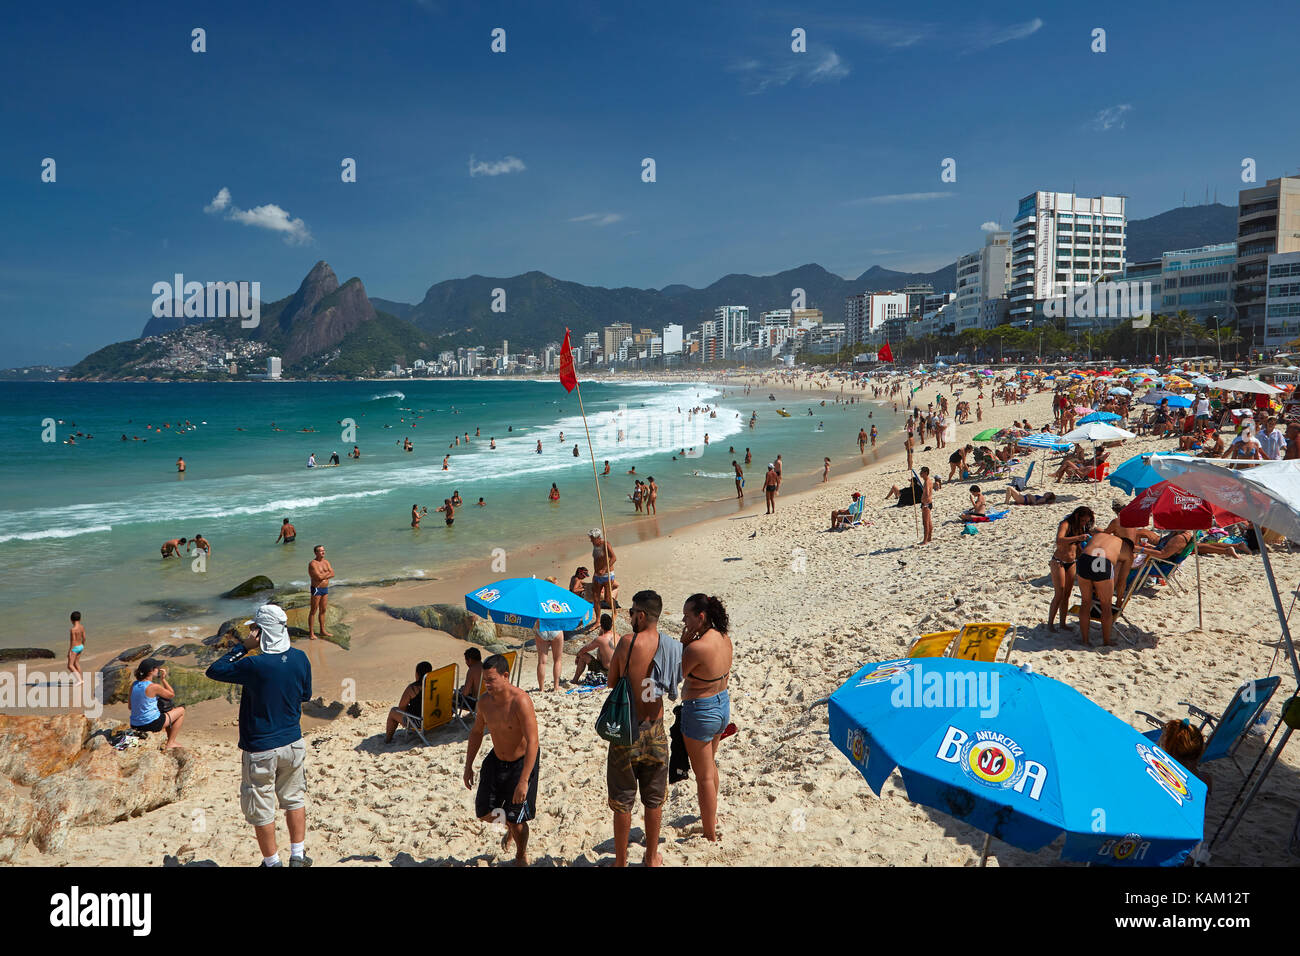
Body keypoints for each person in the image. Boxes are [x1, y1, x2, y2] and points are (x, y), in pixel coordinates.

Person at [206, 604, 313, 867]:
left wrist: (243, 647)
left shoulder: (254, 664)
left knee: (261, 805)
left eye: (256, 629)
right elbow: (305, 695)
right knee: (294, 798)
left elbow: (214, 670)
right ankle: (297, 855)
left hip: (261, 747)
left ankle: (272, 862)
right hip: (293, 741)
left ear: (261, 632)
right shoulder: (300, 658)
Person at [605, 590, 681, 867]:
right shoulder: (671, 646)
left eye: (632, 612)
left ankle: (621, 861)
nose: (629, 617)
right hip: (656, 729)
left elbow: (612, 681)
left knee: (623, 799)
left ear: (642, 615)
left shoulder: (627, 642)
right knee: (654, 798)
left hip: (628, 730)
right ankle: (651, 857)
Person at [464, 654, 539, 866]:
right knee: (484, 812)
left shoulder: (520, 701)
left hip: (521, 762)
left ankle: (520, 854)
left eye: (491, 680)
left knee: (518, 823)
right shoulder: (485, 702)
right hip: (496, 760)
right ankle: (509, 827)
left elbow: (533, 741)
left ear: (505, 676)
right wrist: (468, 765)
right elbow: (477, 733)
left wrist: (524, 780)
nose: (486, 684)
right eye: (484, 680)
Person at [680, 593, 732, 843]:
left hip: (701, 710)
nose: (684, 621)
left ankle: (710, 833)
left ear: (701, 617)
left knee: (704, 777)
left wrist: (683, 644)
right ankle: (713, 817)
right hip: (722, 704)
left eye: (687, 617)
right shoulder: (724, 638)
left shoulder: (696, 647)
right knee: (710, 766)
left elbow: (677, 673)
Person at [1078, 530, 1131, 647]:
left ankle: (1085, 640)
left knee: (1085, 602)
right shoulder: (1127, 551)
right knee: (1106, 605)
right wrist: (1119, 601)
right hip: (1101, 561)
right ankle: (1106, 642)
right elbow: (1122, 582)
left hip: (1084, 559)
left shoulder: (1100, 535)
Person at [1049, 507, 1094, 632]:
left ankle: (1062, 623)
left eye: (1087, 521)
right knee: (1059, 593)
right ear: (1077, 516)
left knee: (1067, 594)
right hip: (1059, 562)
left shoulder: (1080, 527)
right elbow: (1059, 540)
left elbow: (1079, 545)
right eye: (1083, 520)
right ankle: (1050, 624)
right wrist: (1077, 538)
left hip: (1072, 562)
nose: (1084, 523)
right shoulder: (1065, 524)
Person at [129, 658, 186, 747]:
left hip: (134, 724)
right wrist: (163, 679)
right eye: (156, 667)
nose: (158, 669)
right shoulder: (153, 687)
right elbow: (171, 694)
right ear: (151, 671)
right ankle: (170, 742)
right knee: (181, 710)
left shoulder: (134, 685)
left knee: (167, 710)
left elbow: (130, 707)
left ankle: (169, 739)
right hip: (151, 724)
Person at [386, 661, 433, 744]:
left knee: (393, 711)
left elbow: (401, 707)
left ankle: (388, 740)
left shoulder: (413, 688)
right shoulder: (435, 684)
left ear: (417, 674)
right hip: (436, 716)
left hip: (421, 722)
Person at [574, 613, 616, 683]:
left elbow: (584, 649)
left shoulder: (601, 639)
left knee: (583, 655)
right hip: (615, 671)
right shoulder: (617, 636)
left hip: (605, 672)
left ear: (601, 626)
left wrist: (578, 656)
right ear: (611, 625)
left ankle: (575, 680)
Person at [307, 545, 334, 639]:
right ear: (316, 553)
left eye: (324, 550)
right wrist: (327, 574)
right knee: (313, 611)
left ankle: (322, 630)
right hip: (316, 589)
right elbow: (318, 577)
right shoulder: (313, 564)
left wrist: (323, 575)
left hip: (325, 589)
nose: (323, 552)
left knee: (323, 610)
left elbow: (333, 573)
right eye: (321, 551)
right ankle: (311, 633)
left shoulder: (326, 562)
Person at [588, 529, 617, 611]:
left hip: (607, 575)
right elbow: (596, 561)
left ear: (597, 537)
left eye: (592, 538)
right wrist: (594, 574)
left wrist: (604, 569)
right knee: (596, 598)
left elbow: (614, 558)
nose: (591, 541)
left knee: (607, 598)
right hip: (597, 575)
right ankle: (598, 620)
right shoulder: (595, 545)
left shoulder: (606, 545)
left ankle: (614, 612)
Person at [457, 647, 484, 712]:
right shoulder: (485, 667)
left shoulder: (472, 670)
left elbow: (465, 693)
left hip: (476, 704)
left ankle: (448, 719)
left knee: (454, 697)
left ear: (470, 660)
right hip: (488, 701)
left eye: (466, 660)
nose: (466, 663)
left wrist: (461, 690)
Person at [68, 611, 86, 685]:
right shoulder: (82, 627)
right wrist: (83, 645)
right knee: (76, 663)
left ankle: (79, 680)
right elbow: (84, 638)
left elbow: (73, 641)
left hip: (75, 648)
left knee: (70, 665)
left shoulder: (73, 630)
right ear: (80, 619)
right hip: (81, 646)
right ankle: (81, 679)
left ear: (71, 620)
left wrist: (70, 651)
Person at [919, 466, 934, 544]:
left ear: (925, 473)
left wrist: (925, 504)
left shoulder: (927, 482)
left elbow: (927, 494)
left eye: (921, 473)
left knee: (925, 522)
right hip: (928, 503)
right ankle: (929, 538)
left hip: (926, 504)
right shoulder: (927, 481)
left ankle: (925, 540)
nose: (920, 474)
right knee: (929, 522)